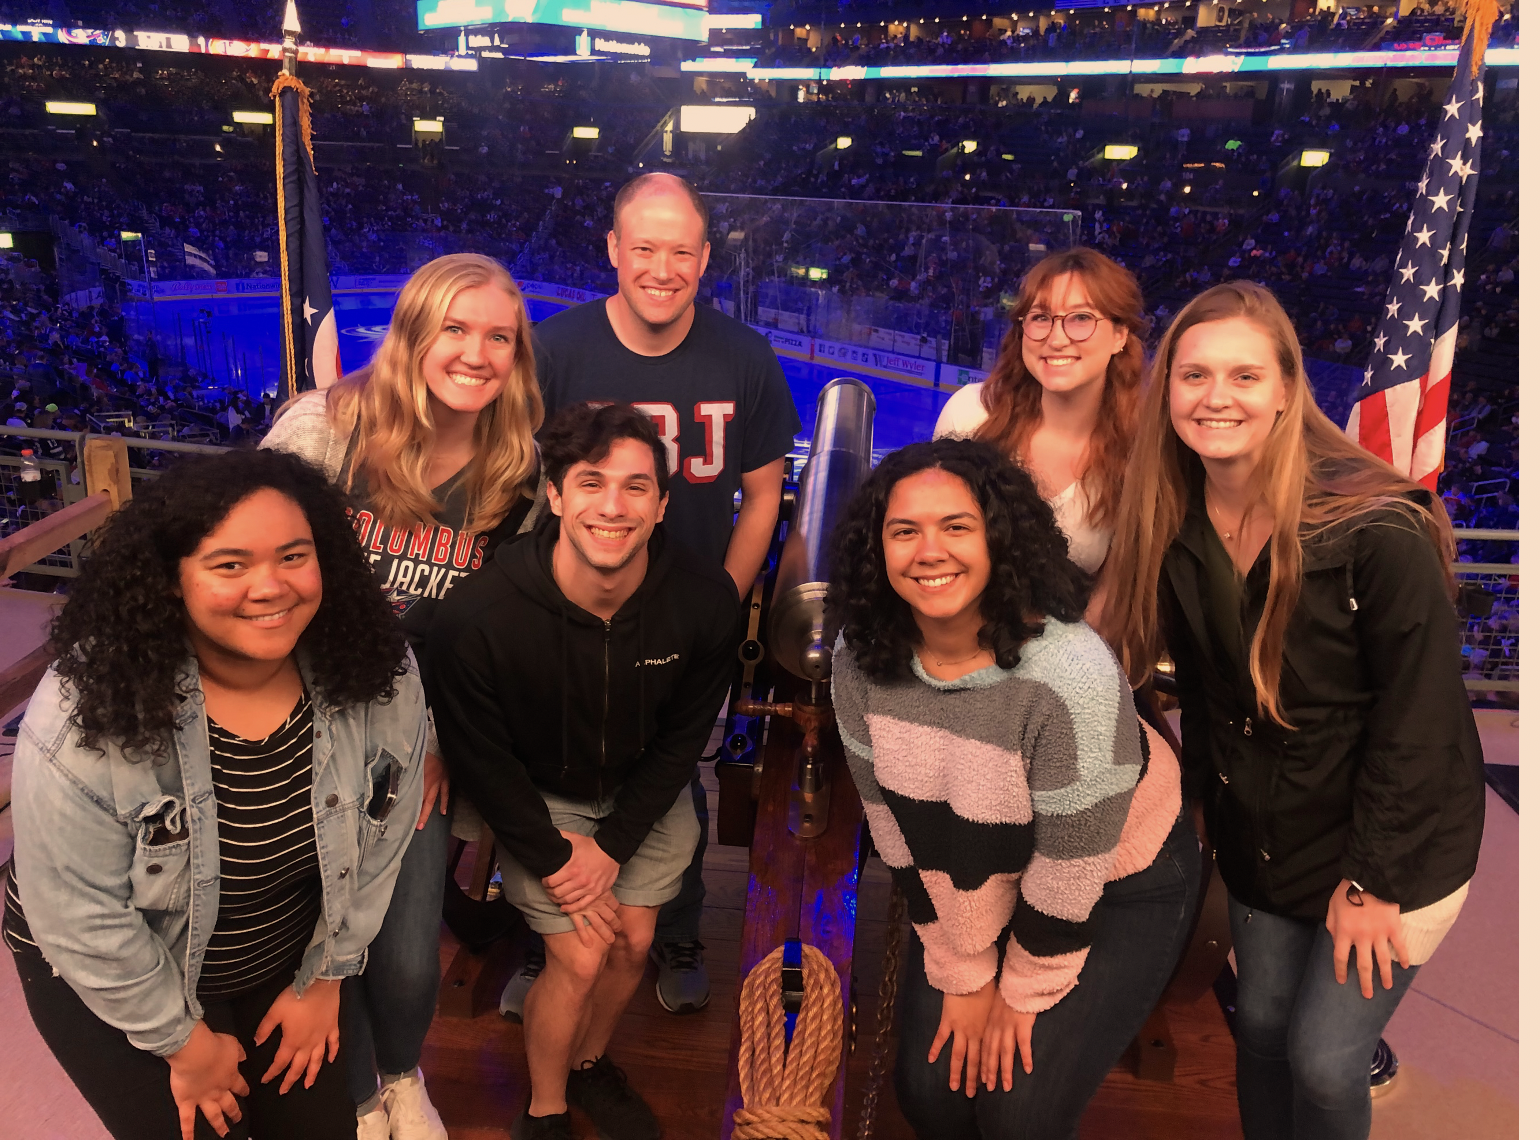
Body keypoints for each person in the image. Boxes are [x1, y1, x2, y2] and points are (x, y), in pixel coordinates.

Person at [1098, 281, 1485, 1138]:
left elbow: (1418, 726)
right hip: (1270, 831)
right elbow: (1201, 693)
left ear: (1285, 389)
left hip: (1396, 842)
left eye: (1243, 375)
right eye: (1194, 376)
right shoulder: (1174, 515)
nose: (1216, 397)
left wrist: (1373, 882)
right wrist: (1202, 808)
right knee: (1262, 1026)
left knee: (1324, 1056)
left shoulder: (1377, 529)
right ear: (1167, 392)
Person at [4, 448, 426, 1140]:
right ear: (170, 581)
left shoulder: (377, 667)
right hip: (118, 964)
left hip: (278, 951)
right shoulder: (87, 709)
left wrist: (326, 981)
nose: (271, 587)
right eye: (230, 565)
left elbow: (382, 834)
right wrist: (186, 1044)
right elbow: (79, 914)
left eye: (294, 556)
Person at [827, 438, 1198, 1138]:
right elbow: (892, 823)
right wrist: (963, 971)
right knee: (930, 1093)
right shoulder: (858, 656)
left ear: (998, 539)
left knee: (1014, 1111)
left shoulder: (1071, 675)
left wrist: (1022, 992)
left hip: (1115, 875)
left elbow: (1070, 865)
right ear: (877, 550)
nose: (928, 550)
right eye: (904, 531)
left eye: (956, 527)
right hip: (968, 857)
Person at [261, 251, 543, 1139]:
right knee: (304, 937)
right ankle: (353, 1104)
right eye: (455, 329)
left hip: (408, 738)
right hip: (290, 722)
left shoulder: (516, 468)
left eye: (500, 336)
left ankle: (400, 1074)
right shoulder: (324, 429)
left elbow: (491, 637)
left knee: (409, 956)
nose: (477, 353)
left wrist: (449, 743)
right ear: (413, 333)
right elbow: (236, 562)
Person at [508, 171, 800, 1017]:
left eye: (680, 250)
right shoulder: (556, 350)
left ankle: (675, 924)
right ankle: (546, 939)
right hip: (566, 619)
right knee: (553, 771)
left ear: (705, 259)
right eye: (644, 247)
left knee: (673, 777)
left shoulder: (744, 356)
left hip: (684, 623)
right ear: (612, 249)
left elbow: (764, 495)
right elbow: (517, 486)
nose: (661, 267)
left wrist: (718, 604)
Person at [426, 402, 740, 1139]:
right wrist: (554, 855)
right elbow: (483, 758)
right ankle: (545, 1106)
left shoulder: (704, 602)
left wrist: (613, 846)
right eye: (591, 483)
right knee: (579, 949)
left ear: (662, 505)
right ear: (558, 497)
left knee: (633, 940)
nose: (612, 506)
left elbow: (681, 742)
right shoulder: (480, 616)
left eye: (636, 487)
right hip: (538, 798)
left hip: (642, 792)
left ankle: (590, 1063)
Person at [933, 247, 1144, 601]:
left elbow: (1115, 596)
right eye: (1041, 317)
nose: (1057, 338)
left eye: (1081, 318)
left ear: (1120, 335)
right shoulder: (969, 414)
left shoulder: (1140, 452)